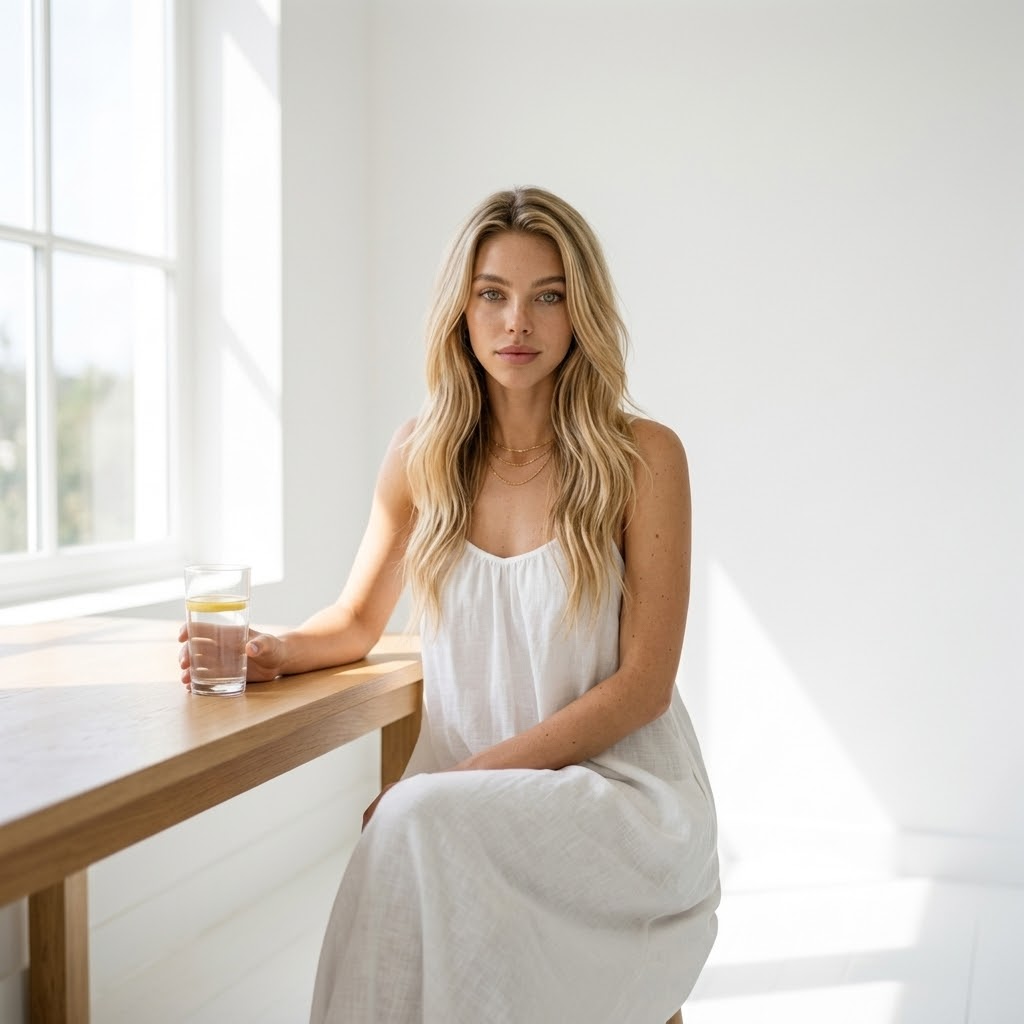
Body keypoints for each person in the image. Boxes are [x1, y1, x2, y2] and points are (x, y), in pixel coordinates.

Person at [179, 186, 720, 1023]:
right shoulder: (420, 453)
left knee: (413, 820)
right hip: (468, 798)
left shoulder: (643, 458)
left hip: (616, 798)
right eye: (492, 294)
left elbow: (646, 684)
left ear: (582, 312)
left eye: (549, 296)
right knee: (418, 827)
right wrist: (273, 649)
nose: (518, 323)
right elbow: (358, 619)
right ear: (460, 311)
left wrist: (453, 783)